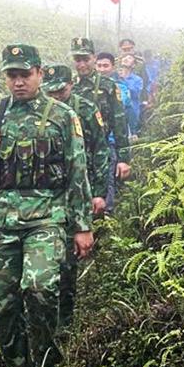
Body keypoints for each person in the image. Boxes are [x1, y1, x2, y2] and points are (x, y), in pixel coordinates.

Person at [0, 43, 94, 367]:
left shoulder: (62, 115)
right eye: (11, 74)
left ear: (40, 73)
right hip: (1, 219)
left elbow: (77, 171)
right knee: (0, 304)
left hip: (47, 216)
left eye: (24, 74)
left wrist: (82, 225)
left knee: (40, 288)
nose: (18, 81)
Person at [42, 63, 111, 330]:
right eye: (51, 91)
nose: (56, 95)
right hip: (49, 195)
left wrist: (99, 192)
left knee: (68, 259)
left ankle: (65, 321)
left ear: (70, 85)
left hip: (81, 186)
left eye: (60, 90)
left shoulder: (84, 110)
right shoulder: (40, 112)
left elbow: (100, 150)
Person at [70, 37, 131, 212]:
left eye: (85, 59)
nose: (81, 64)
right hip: (73, 151)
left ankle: (106, 232)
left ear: (94, 58)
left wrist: (124, 158)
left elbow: (119, 120)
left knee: (104, 197)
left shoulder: (108, 86)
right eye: (77, 59)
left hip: (101, 148)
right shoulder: (69, 85)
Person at [116, 54, 144, 140]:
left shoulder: (137, 80)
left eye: (129, 58)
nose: (126, 59)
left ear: (134, 65)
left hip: (132, 113)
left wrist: (124, 81)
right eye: (124, 57)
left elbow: (136, 94)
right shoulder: (115, 77)